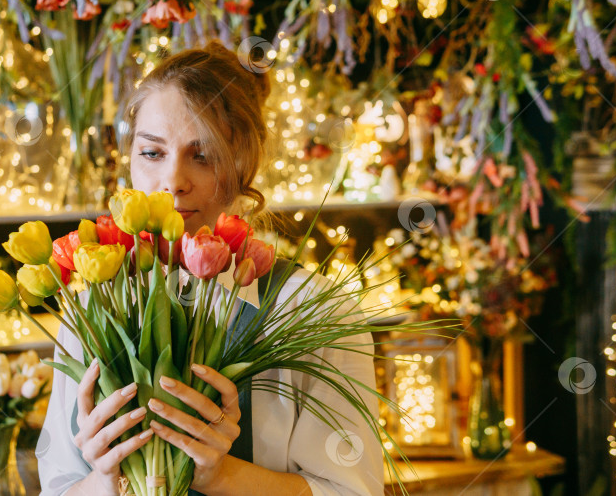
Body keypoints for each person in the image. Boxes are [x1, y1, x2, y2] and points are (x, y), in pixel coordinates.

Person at [38, 40, 385, 496]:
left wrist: (224, 476)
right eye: (152, 153)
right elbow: (59, 485)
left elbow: (354, 492)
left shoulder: (314, 310)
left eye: (203, 156)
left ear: (244, 164)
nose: (174, 182)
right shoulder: (89, 311)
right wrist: (106, 480)